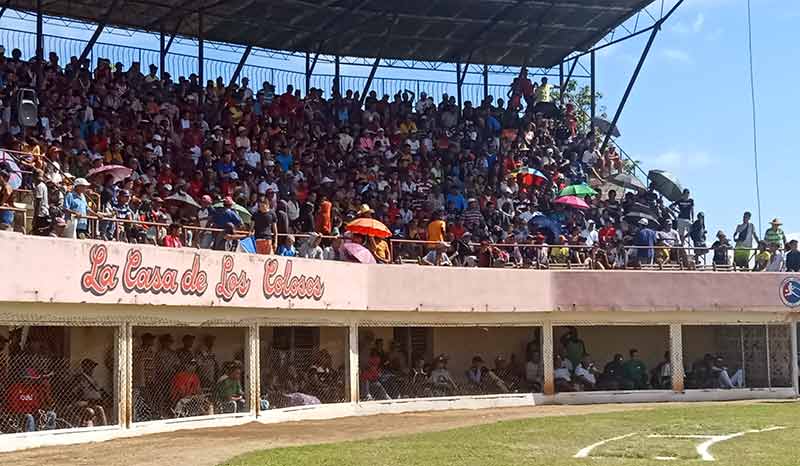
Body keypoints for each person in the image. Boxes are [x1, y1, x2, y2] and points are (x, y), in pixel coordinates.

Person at [72, 358, 108, 427]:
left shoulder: (92, 378)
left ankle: (104, 428)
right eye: (90, 366)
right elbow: (74, 393)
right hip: (85, 403)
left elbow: (99, 389)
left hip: (95, 402)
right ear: (84, 367)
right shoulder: (80, 378)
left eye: (93, 367)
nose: (92, 369)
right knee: (93, 410)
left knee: (100, 408)